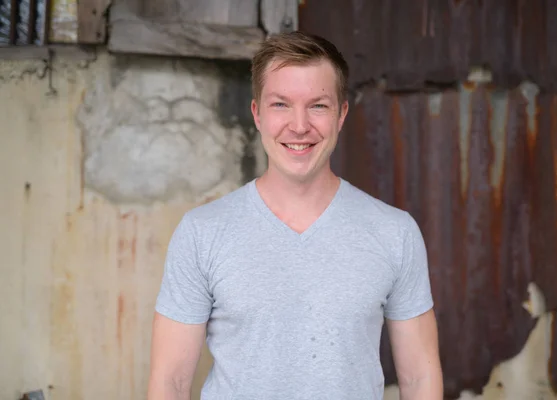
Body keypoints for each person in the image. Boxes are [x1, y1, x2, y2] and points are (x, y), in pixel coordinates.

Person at [147, 31, 443, 400]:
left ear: (341, 115)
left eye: (318, 105)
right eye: (281, 105)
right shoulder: (202, 233)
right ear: (257, 113)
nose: (299, 126)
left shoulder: (394, 233)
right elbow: (170, 383)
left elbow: (419, 380)